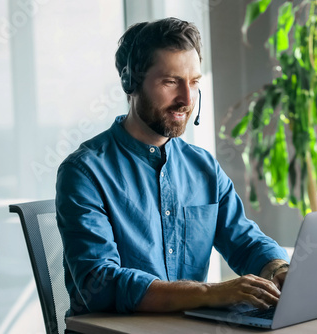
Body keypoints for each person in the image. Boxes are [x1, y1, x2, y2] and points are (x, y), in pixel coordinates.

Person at [56, 17, 289, 316]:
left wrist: (278, 268)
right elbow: (99, 284)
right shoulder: (84, 171)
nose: (187, 99)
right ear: (131, 82)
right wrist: (210, 293)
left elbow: (245, 241)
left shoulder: (203, 166)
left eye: (193, 82)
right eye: (170, 82)